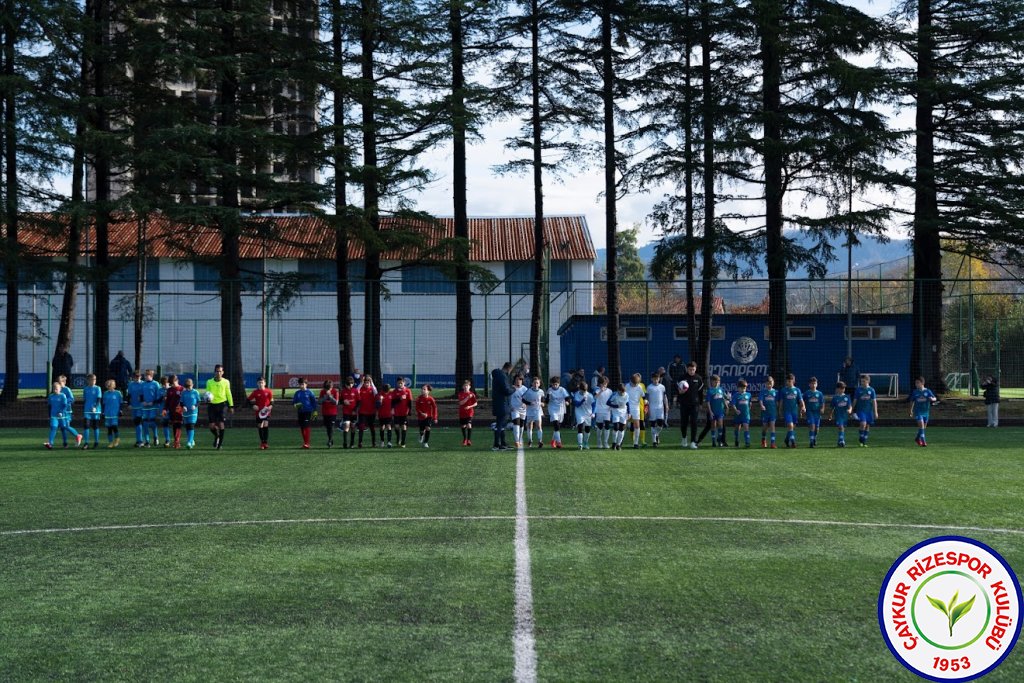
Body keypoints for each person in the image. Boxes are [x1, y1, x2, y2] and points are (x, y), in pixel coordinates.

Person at [205, 364, 234, 450]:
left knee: (221, 424)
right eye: (217, 371)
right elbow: (207, 393)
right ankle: (217, 436)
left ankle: (219, 445)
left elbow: (229, 394)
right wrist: (207, 399)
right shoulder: (209, 382)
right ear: (214, 372)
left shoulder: (226, 382)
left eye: (220, 371)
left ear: (223, 372)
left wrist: (231, 406)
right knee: (211, 426)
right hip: (212, 405)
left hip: (222, 404)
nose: (218, 373)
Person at [45, 381, 81, 449]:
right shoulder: (51, 396)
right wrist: (49, 415)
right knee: (53, 428)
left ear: (60, 389)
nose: (55, 390)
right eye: (54, 389)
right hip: (54, 416)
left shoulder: (62, 396)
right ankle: (50, 443)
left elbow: (65, 405)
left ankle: (65, 443)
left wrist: (61, 412)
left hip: (62, 416)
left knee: (64, 428)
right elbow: (49, 406)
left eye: (56, 389)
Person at [678, 361, 704, 449]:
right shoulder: (682, 378)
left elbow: (700, 393)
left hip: (695, 404)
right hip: (684, 404)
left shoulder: (699, 378)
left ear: (695, 369)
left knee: (694, 422)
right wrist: (680, 392)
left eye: (693, 369)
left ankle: (693, 441)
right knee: (684, 422)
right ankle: (684, 438)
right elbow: (677, 391)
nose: (691, 371)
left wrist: (700, 403)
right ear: (687, 369)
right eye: (690, 369)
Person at [908, 376, 938, 447]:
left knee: (923, 427)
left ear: (922, 383)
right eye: (915, 383)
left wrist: (932, 399)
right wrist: (910, 411)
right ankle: (923, 441)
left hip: (926, 412)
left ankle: (917, 438)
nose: (916, 384)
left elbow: (935, 398)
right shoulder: (915, 392)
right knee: (921, 425)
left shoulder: (927, 391)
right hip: (918, 412)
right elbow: (912, 401)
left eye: (918, 383)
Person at [491, 362, 514, 451]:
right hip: (502, 404)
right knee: (500, 424)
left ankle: (503, 443)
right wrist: (514, 389)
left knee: (502, 424)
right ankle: (496, 444)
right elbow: (506, 391)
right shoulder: (502, 376)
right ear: (509, 369)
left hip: (500, 403)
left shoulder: (498, 375)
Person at [780, 373, 805, 448]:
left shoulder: (797, 390)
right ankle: (793, 442)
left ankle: (787, 439)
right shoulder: (783, 390)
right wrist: (780, 410)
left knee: (792, 427)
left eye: (790, 381)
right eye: (787, 381)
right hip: (787, 411)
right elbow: (781, 401)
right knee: (790, 426)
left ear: (793, 381)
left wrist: (803, 407)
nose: (788, 382)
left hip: (794, 412)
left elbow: (800, 400)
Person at [248, 377, 273, 450]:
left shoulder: (269, 391)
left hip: (266, 411)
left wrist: (271, 405)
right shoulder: (255, 392)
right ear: (257, 384)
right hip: (259, 413)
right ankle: (262, 442)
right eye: (259, 383)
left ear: (265, 383)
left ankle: (265, 442)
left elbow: (272, 400)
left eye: (262, 382)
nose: (261, 384)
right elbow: (247, 400)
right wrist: (253, 406)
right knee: (260, 426)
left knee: (265, 425)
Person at [292, 378, 317, 449]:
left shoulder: (310, 392)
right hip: (300, 412)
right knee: (302, 427)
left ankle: (307, 443)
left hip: (308, 412)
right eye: (300, 384)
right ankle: (305, 442)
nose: (301, 386)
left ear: (306, 384)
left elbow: (314, 402)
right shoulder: (297, 393)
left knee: (306, 426)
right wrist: (296, 405)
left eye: (303, 384)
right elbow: (294, 402)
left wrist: (315, 411)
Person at [853, 374, 878, 447]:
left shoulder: (871, 390)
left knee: (867, 425)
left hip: (869, 411)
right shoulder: (858, 390)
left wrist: (876, 412)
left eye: (864, 381)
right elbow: (855, 400)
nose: (862, 383)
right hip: (860, 410)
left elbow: (874, 402)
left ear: (868, 381)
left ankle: (864, 440)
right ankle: (861, 437)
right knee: (863, 423)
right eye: (861, 381)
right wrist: (852, 408)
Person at [703, 375, 728, 448]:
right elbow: (708, 402)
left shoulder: (721, 390)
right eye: (715, 382)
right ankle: (713, 441)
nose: (717, 383)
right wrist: (710, 411)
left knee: (720, 425)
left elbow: (724, 398)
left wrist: (726, 406)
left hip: (720, 411)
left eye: (718, 382)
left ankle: (719, 441)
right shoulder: (710, 391)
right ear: (712, 382)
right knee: (713, 426)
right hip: (713, 412)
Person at [645, 372, 668, 448]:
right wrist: (646, 407)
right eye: (654, 379)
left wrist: (666, 405)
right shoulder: (649, 387)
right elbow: (647, 398)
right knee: (653, 424)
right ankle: (654, 441)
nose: (656, 380)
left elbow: (664, 397)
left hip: (660, 407)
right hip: (652, 407)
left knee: (660, 425)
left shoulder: (662, 387)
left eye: (657, 379)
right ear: (652, 379)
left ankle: (657, 434)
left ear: (659, 379)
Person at [547, 376, 570, 448]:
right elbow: (547, 401)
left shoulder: (562, 390)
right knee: (556, 424)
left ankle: (553, 441)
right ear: (551, 384)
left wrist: (567, 402)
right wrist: (548, 397)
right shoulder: (550, 390)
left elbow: (567, 398)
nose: (554, 386)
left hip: (560, 409)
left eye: (556, 384)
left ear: (559, 384)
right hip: (552, 409)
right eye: (553, 384)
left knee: (557, 426)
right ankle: (559, 442)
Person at [140, 369, 162, 447]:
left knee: (152, 422)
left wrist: (153, 402)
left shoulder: (156, 384)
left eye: (147, 375)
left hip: (153, 406)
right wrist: (143, 402)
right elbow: (141, 394)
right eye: (145, 375)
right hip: (145, 407)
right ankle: (147, 441)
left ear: (151, 376)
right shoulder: (143, 384)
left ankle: (155, 437)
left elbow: (159, 395)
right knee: (145, 423)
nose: (145, 377)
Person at [522, 377, 545, 448]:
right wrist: (529, 403)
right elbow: (523, 399)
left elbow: (543, 400)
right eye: (534, 383)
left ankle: (540, 441)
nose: (535, 384)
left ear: (539, 384)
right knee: (529, 426)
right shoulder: (528, 391)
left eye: (537, 383)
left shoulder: (541, 391)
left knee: (539, 425)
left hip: (538, 410)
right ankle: (530, 440)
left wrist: (543, 403)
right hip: (529, 411)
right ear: (532, 383)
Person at [81, 373, 103, 450]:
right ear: (88, 380)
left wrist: (95, 407)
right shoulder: (85, 389)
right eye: (92, 380)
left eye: (95, 379)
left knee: (95, 426)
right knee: (86, 426)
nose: (94, 381)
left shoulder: (98, 388)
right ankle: (86, 443)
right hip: (87, 410)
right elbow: (84, 399)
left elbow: (99, 399)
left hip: (95, 411)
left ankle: (96, 442)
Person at [356, 374, 379, 448]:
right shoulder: (361, 389)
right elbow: (356, 391)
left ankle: (374, 442)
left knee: (372, 427)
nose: (366, 384)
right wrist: (361, 383)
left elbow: (376, 392)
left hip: (371, 412)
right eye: (365, 382)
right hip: (362, 412)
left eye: (368, 382)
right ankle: (360, 443)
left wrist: (372, 382)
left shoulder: (372, 390)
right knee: (361, 427)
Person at [625, 373, 646, 449]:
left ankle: (636, 443)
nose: (635, 385)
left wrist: (645, 401)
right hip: (627, 408)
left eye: (637, 383)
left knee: (637, 426)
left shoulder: (639, 387)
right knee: (624, 425)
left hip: (636, 409)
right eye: (634, 383)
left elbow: (643, 396)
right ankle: (619, 442)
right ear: (631, 381)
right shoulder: (626, 386)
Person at [828, 381, 852, 447]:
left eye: (843, 388)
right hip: (838, 415)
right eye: (841, 388)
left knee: (842, 428)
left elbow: (850, 406)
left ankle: (840, 440)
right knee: (840, 427)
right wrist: (830, 415)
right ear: (837, 389)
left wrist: (850, 410)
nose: (842, 390)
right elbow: (832, 407)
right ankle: (842, 440)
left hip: (845, 415)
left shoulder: (847, 397)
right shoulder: (835, 398)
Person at [57, 375, 78, 448]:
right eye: (58, 382)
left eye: (60, 383)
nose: (59, 384)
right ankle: (65, 443)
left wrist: (65, 402)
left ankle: (77, 435)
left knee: (66, 426)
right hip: (60, 411)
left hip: (67, 411)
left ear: (64, 382)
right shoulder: (58, 390)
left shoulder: (67, 389)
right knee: (62, 427)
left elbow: (72, 399)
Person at [391, 377, 413, 448]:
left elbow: (410, 401)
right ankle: (398, 438)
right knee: (397, 426)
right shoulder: (394, 391)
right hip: (397, 412)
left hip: (404, 412)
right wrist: (399, 399)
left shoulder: (408, 391)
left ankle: (403, 442)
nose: (400, 384)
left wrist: (410, 410)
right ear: (397, 383)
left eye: (401, 383)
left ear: (404, 383)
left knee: (403, 426)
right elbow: (393, 402)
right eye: (398, 383)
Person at [572, 380, 595, 450]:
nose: (584, 392)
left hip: (588, 413)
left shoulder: (590, 395)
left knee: (587, 429)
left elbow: (594, 404)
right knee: (580, 427)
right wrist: (582, 400)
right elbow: (576, 404)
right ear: (579, 389)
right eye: (582, 391)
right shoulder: (576, 394)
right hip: (579, 413)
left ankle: (585, 442)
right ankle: (580, 444)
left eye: (585, 391)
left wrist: (593, 413)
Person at [729, 379, 752, 448]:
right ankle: (736, 440)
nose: (743, 389)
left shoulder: (749, 395)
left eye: (744, 388)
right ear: (738, 388)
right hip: (738, 415)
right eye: (741, 388)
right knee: (737, 428)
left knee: (746, 427)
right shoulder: (736, 395)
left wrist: (749, 408)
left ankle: (747, 442)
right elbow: (733, 404)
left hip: (745, 415)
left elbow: (750, 403)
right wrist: (736, 410)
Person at [179, 379, 201, 449]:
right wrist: (183, 406)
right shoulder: (183, 393)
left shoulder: (195, 392)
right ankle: (192, 440)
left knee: (191, 425)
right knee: (188, 426)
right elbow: (181, 402)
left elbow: (199, 401)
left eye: (190, 386)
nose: (188, 388)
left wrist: (195, 406)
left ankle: (189, 442)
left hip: (193, 412)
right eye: (187, 386)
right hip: (186, 412)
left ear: (192, 385)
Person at [803, 377, 824, 448]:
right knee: (812, 426)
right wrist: (803, 409)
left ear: (817, 384)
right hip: (810, 412)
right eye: (812, 383)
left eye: (815, 383)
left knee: (817, 429)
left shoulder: (820, 394)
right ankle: (811, 441)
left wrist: (822, 409)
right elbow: (802, 402)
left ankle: (814, 438)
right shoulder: (806, 393)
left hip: (817, 413)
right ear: (809, 385)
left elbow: (822, 403)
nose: (813, 385)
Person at [101, 379, 123, 448]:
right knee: (109, 428)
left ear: (113, 386)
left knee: (114, 427)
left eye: (110, 385)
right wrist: (103, 412)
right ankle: (110, 442)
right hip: (107, 413)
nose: (108, 386)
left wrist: (120, 410)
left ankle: (117, 439)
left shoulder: (118, 393)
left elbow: (121, 403)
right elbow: (103, 404)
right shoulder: (105, 393)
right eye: (107, 385)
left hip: (115, 413)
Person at [607, 383, 629, 450]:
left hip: (624, 413)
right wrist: (616, 406)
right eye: (621, 391)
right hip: (616, 412)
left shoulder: (627, 395)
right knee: (616, 427)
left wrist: (629, 413)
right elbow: (607, 403)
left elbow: (628, 404)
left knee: (622, 429)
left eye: (623, 392)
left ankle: (618, 445)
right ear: (618, 390)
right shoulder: (614, 395)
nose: (622, 393)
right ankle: (614, 443)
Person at [319, 379, 340, 447]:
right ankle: (331, 439)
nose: (328, 390)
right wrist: (325, 397)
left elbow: (336, 402)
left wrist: (330, 396)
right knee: (328, 427)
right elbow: (319, 401)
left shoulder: (335, 391)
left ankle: (330, 441)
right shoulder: (322, 392)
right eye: (326, 388)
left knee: (331, 427)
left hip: (333, 413)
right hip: (325, 412)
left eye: (329, 388)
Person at [593, 376, 612, 449]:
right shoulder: (597, 390)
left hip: (607, 411)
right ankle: (599, 442)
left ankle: (606, 442)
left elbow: (611, 400)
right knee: (600, 427)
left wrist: (611, 407)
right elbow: (595, 397)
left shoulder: (610, 391)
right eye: (603, 384)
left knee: (607, 426)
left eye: (606, 384)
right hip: (599, 410)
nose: (604, 385)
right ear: (599, 384)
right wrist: (601, 391)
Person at [457, 380, 478, 446]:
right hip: (462, 412)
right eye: (464, 386)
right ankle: (464, 439)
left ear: (469, 387)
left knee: (469, 425)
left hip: (469, 412)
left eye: (467, 386)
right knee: (463, 426)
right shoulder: (460, 394)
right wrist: (467, 397)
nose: (466, 387)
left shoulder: (472, 394)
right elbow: (461, 403)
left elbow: (475, 403)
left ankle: (469, 440)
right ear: (463, 387)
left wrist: (470, 406)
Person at [340, 376, 359, 448]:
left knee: (353, 427)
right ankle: (345, 443)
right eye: (348, 384)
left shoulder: (355, 391)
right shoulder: (343, 391)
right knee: (346, 426)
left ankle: (352, 443)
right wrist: (343, 401)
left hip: (353, 413)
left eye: (351, 384)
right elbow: (340, 401)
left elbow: (359, 401)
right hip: (346, 412)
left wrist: (355, 410)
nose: (350, 385)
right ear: (345, 384)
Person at [126, 371, 145, 446]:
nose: (137, 378)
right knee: (136, 423)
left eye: (138, 376)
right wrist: (129, 404)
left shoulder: (143, 384)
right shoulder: (130, 384)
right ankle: (138, 440)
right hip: (134, 406)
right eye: (135, 377)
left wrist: (142, 400)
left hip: (141, 407)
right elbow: (129, 395)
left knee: (139, 421)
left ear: (140, 376)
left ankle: (141, 441)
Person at [759, 376, 778, 448]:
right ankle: (763, 439)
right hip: (765, 413)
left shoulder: (776, 392)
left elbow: (778, 402)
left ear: (773, 383)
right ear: (765, 384)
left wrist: (778, 409)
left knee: (772, 426)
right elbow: (760, 400)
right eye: (768, 383)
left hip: (772, 412)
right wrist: (761, 405)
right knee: (765, 428)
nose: (769, 385)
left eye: (770, 383)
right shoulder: (763, 392)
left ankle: (772, 443)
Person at [509, 375, 528, 448]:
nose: (518, 381)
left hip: (523, 410)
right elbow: (508, 398)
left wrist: (525, 403)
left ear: (522, 381)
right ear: (514, 380)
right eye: (517, 379)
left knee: (521, 425)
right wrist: (510, 406)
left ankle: (519, 439)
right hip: (514, 409)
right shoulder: (512, 388)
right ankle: (516, 441)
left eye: (520, 380)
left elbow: (528, 398)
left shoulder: (525, 389)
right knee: (516, 423)